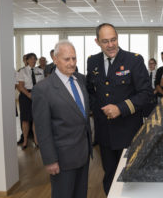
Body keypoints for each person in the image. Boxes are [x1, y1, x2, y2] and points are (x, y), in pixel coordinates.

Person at [86, 23, 152, 195]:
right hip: (104, 131)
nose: (111, 45)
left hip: (128, 131)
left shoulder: (134, 60)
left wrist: (120, 108)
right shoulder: (92, 61)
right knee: (109, 174)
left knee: (129, 177)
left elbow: (145, 93)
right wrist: (99, 109)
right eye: (105, 41)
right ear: (97, 42)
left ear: (118, 38)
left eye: (113, 39)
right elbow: (90, 91)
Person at [32, 40, 92, 198]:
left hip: (83, 155)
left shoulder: (81, 80)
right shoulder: (43, 89)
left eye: (74, 58)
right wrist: (50, 160)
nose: (72, 63)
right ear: (55, 59)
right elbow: (42, 129)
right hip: (62, 159)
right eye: (67, 59)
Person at [17, 53, 44, 149]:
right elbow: (20, 86)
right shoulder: (22, 71)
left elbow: (42, 85)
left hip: (37, 95)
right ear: (27, 60)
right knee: (25, 120)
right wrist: (29, 95)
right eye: (31, 59)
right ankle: (25, 140)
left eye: (34, 59)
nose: (33, 60)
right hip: (25, 95)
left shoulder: (40, 71)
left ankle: (36, 140)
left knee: (36, 119)